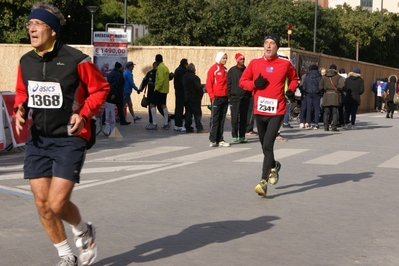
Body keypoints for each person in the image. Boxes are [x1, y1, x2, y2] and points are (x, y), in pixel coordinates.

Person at [13, 2, 109, 265]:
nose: (31, 29)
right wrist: (19, 110)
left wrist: (85, 113)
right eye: (29, 24)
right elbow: (23, 92)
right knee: (42, 204)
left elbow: (100, 89)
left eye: (38, 24)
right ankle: (66, 255)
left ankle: (83, 231)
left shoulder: (76, 60)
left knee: (56, 203)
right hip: (38, 138)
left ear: (52, 30)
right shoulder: (26, 61)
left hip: (69, 138)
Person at [239, 33, 299, 197]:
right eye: (266, 42)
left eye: (272, 43)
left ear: (277, 47)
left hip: (277, 111)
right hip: (259, 110)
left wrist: (291, 90)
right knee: (264, 146)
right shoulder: (254, 63)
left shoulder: (285, 64)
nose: (268, 46)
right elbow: (242, 82)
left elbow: (294, 79)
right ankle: (274, 165)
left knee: (268, 145)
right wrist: (254, 84)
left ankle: (263, 182)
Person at [206, 51, 230, 147]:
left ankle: (220, 139)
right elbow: (209, 84)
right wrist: (212, 97)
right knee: (215, 119)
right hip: (216, 97)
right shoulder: (213, 69)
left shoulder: (225, 70)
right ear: (219, 58)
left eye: (226, 58)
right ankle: (213, 139)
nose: (225, 60)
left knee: (222, 119)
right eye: (223, 58)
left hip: (224, 97)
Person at [146, 54, 173, 130]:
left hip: (159, 89)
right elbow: (167, 79)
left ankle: (154, 124)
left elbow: (160, 80)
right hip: (165, 90)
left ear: (156, 60)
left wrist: (156, 88)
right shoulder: (165, 68)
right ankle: (166, 123)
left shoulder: (160, 68)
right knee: (163, 105)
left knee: (151, 104)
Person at [228, 53, 250, 143]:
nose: (242, 60)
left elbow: (250, 82)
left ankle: (242, 136)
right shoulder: (232, 71)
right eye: (241, 59)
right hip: (234, 98)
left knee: (244, 118)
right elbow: (228, 84)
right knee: (234, 118)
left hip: (245, 97)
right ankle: (234, 135)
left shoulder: (247, 70)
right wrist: (228, 96)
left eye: (243, 59)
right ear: (237, 60)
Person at [183, 63, 208, 133]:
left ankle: (188, 127)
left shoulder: (184, 77)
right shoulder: (195, 77)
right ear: (193, 70)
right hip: (194, 97)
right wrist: (200, 95)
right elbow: (199, 88)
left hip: (187, 97)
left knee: (188, 113)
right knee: (197, 113)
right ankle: (199, 127)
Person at [319, 64, 344, 132]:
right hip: (335, 95)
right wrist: (338, 90)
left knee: (326, 112)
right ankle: (334, 127)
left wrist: (325, 90)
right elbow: (341, 86)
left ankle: (325, 127)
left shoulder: (324, 77)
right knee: (335, 112)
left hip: (326, 95)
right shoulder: (338, 77)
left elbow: (320, 87)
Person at [302, 64, 322, 129]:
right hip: (317, 94)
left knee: (309, 108)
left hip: (309, 94)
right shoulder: (319, 76)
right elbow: (321, 86)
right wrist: (321, 93)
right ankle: (316, 124)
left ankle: (308, 123)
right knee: (317, 109)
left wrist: (305, 92)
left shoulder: (307, 76)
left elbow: (304, 85)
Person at [173, 58, 188, 132]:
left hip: (178, 91)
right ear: (185, 64)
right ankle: (179, 125)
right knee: (180, 108)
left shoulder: (177, 69)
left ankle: (177, 124)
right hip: (181, 92)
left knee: (178, 107)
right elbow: (183, 82)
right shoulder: (182, 71)